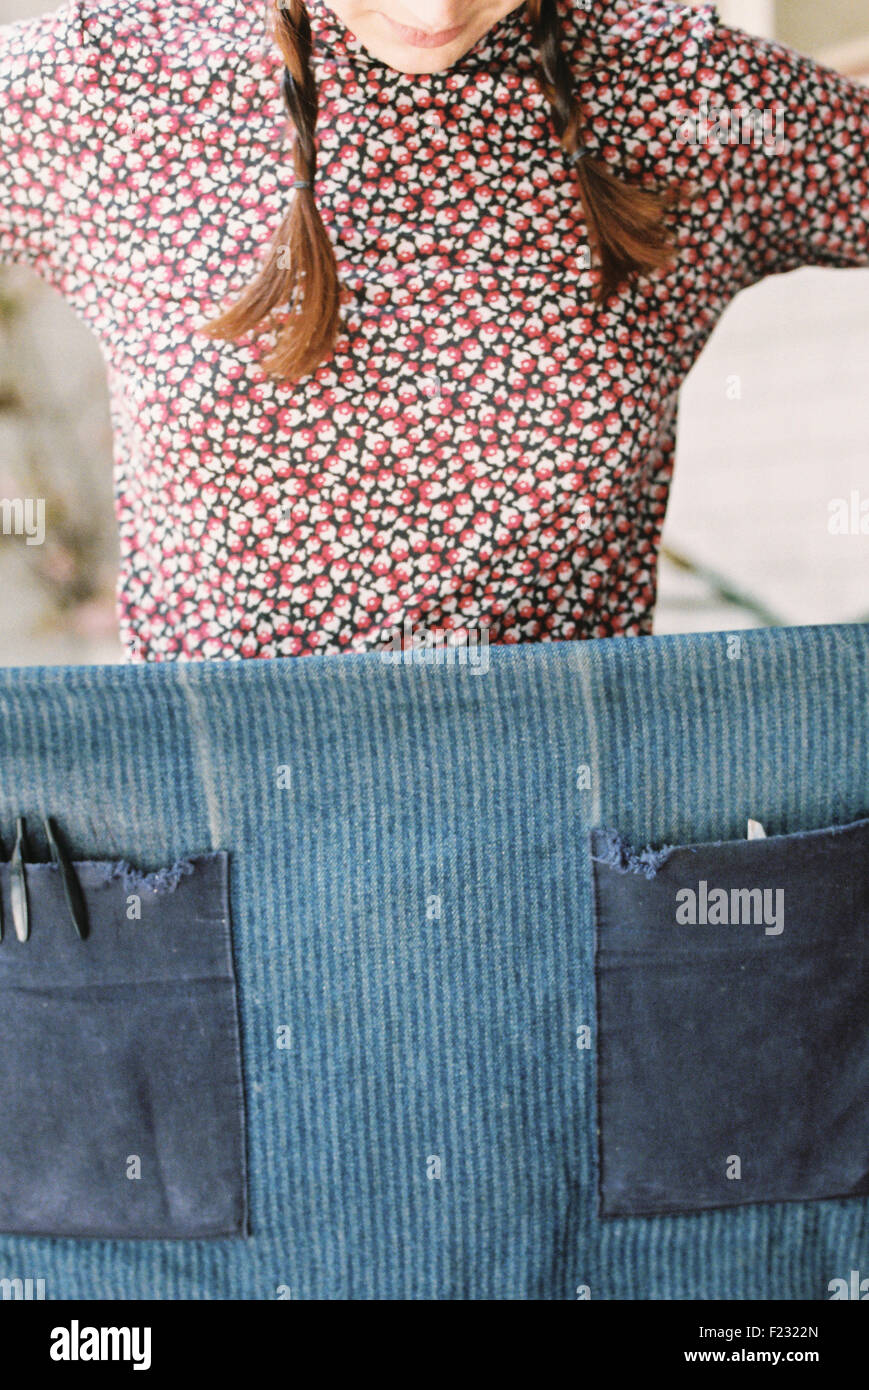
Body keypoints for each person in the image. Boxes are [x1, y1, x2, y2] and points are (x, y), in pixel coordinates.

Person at [0, 0, 866, 660]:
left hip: (572, 845)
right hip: (215, 844)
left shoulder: (680, 90)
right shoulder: (108, 81)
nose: (435, 13)